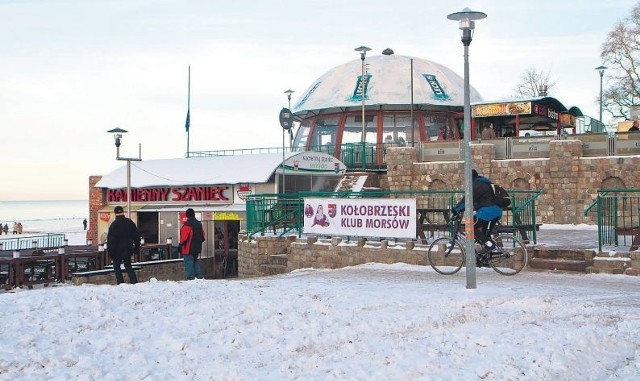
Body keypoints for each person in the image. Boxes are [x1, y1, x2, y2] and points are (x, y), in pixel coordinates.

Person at [453, 169, 503, 267]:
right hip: (496, 211)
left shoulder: (477, 185)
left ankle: (490, 245)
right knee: (484, 236)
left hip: (488, 211)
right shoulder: (484, 183)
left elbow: (467, 200)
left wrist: (456, 210)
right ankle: (486, 259)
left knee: (469, 227)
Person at [107, 205, 139, 284]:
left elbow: (111, 240)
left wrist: (110, 252)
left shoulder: (114, 225)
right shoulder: (129, 222)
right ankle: (134, 281)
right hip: (128, 248)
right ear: (123, 212)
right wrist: (136, 248)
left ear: (115, 213)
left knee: (116, 266)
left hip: (117, 250)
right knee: (128, 265)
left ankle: (121, 282)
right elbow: (136, 236)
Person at [179, 208, 205, 280]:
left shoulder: (187, 224)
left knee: (189, 262)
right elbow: (203, 236)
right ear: (194, 214)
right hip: (197, 247)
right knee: (195, 261)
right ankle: (199, 276)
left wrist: (180, 245)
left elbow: (184, 238)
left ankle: (190, 277)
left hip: (188, 248)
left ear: (187, 215)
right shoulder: (199, 224)